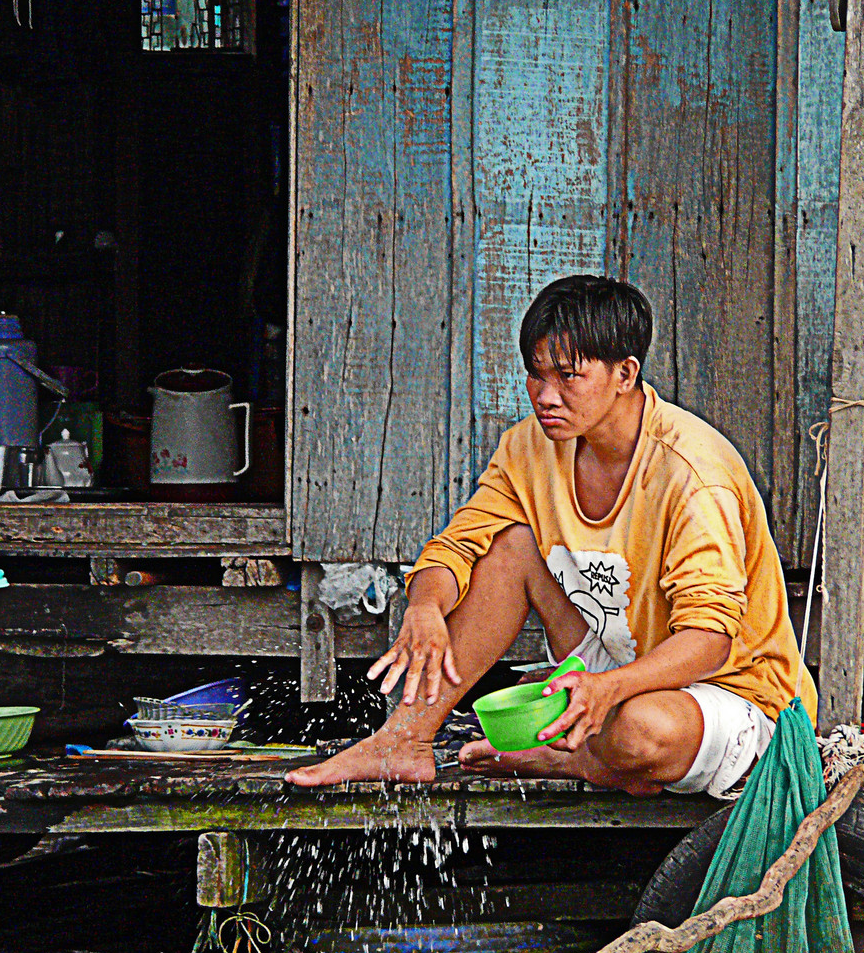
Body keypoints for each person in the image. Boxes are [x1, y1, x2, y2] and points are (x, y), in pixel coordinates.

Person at [286, 275, 815, 798]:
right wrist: (423, 607)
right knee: (508, 544)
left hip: (732, 696)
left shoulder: (693, 474)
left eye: (568, 376)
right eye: (536, 375)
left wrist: (606, 690)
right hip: (614, 667)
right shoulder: (529, 447)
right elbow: (457, 545)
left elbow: (710, 641)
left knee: (638, 729)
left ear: (625, 373)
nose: (546, 396)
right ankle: (405, 739)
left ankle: (574, 757)